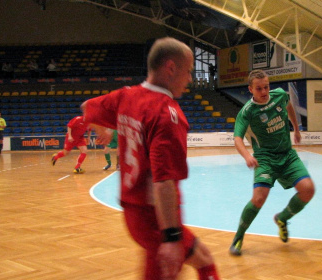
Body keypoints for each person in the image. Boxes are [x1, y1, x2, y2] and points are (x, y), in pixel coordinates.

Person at [81, 37, 220, 280]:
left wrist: (102, 128)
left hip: (132, 212)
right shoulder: (167, 114)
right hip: (155, 218)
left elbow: (87, 107)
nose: (189, 79)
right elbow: (163, 181)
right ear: (170, 68)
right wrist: (171, 237)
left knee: (198, 261)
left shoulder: (126, 97)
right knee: (205, 263)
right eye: (188, 71)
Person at [229, 69, 315, 256]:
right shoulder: (247, 112)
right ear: (251, 89)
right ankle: (238, 237)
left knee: (308, 189)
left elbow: (289, 105)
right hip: (265, 159)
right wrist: (247, 156)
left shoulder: (280, 96)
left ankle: (282, 219)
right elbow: (237, 138)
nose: (264, 91)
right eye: (259, 88)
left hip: (287, 155)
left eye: (266, 87)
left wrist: (296, 128)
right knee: (259, 198)